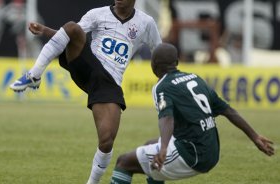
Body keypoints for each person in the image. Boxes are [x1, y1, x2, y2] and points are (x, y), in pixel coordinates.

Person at [9, 1, 162, 184]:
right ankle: (34, 74)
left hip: (108, 83)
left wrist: (166, 78)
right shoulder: (97, 13)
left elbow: (159, 52)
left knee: (106, 141)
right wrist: (46, 30)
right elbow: (68, 36)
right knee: (72, 28)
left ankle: (92, 182)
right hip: (86, 65)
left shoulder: (146, 22)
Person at [109, 43, 274, 184]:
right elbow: (228, 111)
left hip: (191, 155)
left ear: (153, 65)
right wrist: (255, 137)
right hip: (212, 152)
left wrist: (164, 148)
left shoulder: (162, 86)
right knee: (149, 145)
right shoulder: (196, 78)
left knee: (123, 162)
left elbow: (167, 118)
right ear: (177, 62)